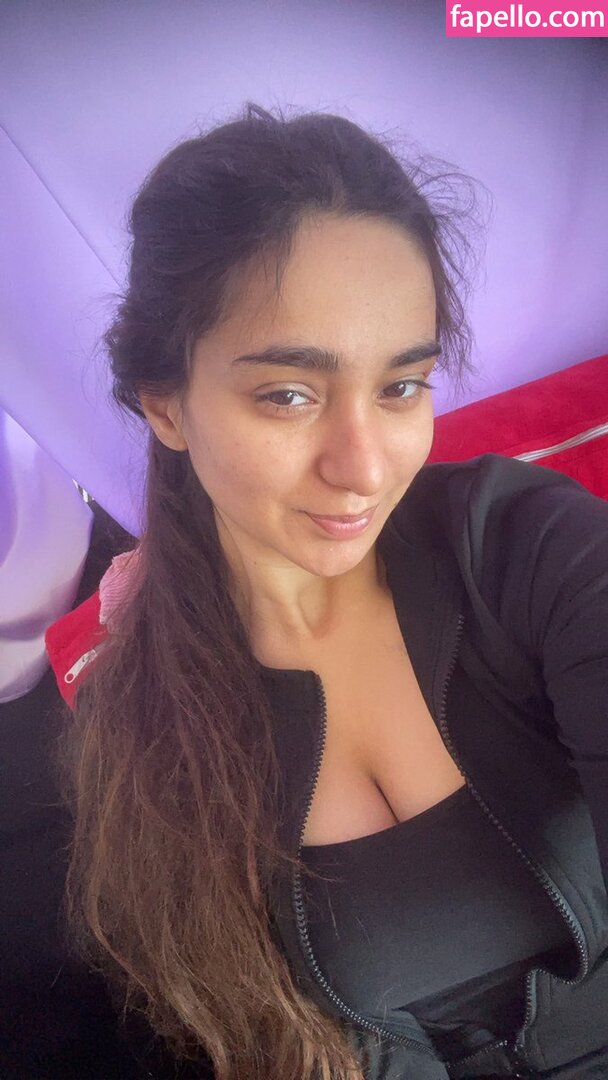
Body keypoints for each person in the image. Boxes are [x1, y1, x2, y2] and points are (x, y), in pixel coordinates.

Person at [32, 102, 608, 1079]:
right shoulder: (147, 731)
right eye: (289, 395)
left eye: (400, 386)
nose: (364, 468)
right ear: (166, 406)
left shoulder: (526, 545)